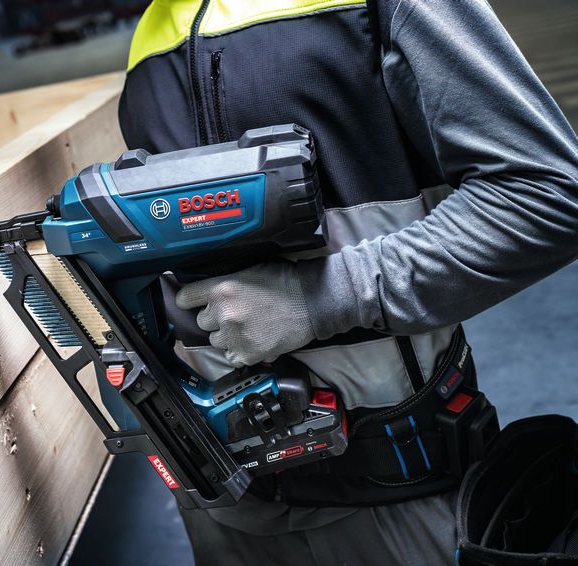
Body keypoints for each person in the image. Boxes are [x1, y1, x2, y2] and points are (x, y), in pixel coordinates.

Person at [117, 0, 578, 564]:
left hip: (395, 497)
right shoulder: (151, 32)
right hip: (225, 505)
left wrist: (318, 300)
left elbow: (545, 194)